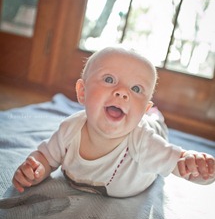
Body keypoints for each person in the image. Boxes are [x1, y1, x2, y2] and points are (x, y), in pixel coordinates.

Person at [12, 46, 215, 197]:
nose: (122, 92)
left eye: (136, 89)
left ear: (141, 110)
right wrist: (35, 168)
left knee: (156, 124)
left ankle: (153, 115)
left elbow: (180, 164)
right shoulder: (70, 129)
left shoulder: (143, 141)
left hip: (151, 128)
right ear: (82, 92)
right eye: (109, 79)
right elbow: (45, 157)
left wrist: (198, 165)